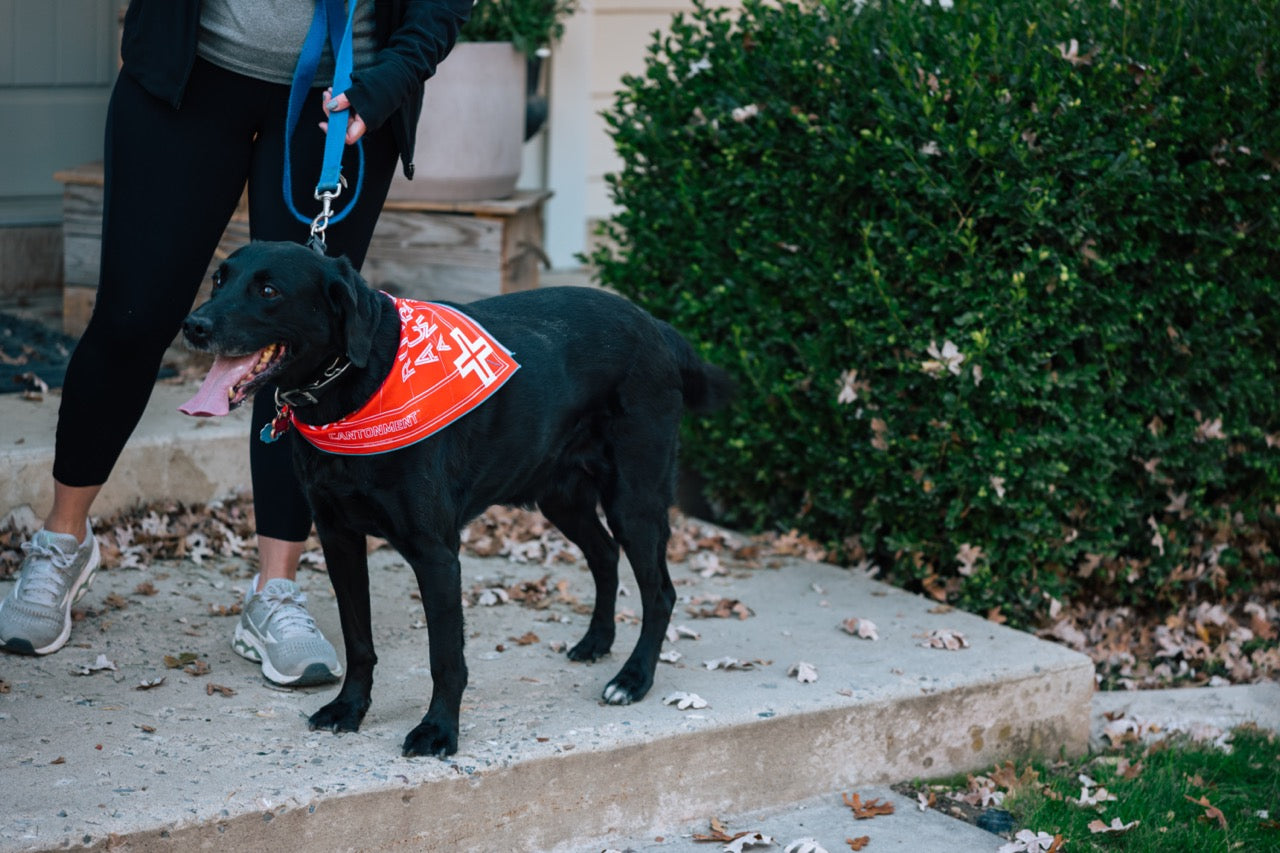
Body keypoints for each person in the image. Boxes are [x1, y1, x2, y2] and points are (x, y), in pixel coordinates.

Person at [0, 0, 472, 686]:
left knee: (297, 348)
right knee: (132, 319)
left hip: (342, 93)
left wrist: (393, 75)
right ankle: (62, 539)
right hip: (190, 77)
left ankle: (274, 589)